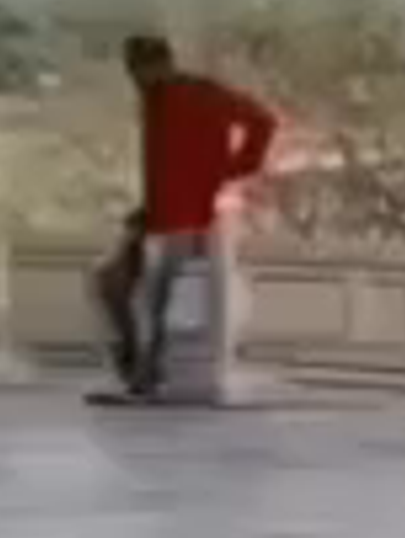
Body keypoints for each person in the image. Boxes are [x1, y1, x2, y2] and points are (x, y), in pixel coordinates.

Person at [97, 31, 278, 399]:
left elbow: (263, 121)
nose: (136, 79)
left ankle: (147, 375)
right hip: (157, 214)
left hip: (187, 217)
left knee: (155, 296)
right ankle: (135, 361)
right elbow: (163, 162)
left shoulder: (201, 93)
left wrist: (231, 168)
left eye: (140, 69)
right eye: (131, 71)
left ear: (161, 64)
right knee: (110, 282)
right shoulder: (154, 99)